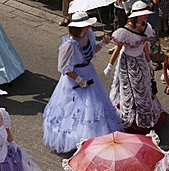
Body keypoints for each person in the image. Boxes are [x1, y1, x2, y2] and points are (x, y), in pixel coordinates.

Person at [44, 12, 123, 154]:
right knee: (75, 109)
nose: (89, 27)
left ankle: (95, 137)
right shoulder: (68, 45)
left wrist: (103, 43)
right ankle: (76, 139)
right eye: (86, 25)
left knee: (95, 105)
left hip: (89, 73)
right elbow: (63, 67)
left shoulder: (88, 35)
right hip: (74, 79)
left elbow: (91, 53)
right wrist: (79, 80)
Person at [105, 1, 166, 134]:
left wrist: (149, 61)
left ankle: (143, 115)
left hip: (140, 60)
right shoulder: (125, 31)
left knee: (144, 86)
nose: (146, 16)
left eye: (146, 14)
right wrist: (110, 65)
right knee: (131, 88)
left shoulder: (147, 26)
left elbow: (145, 45)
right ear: (136, 16)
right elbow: (118, 48)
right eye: (143, 14)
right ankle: (130, 118)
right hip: (127, 62)